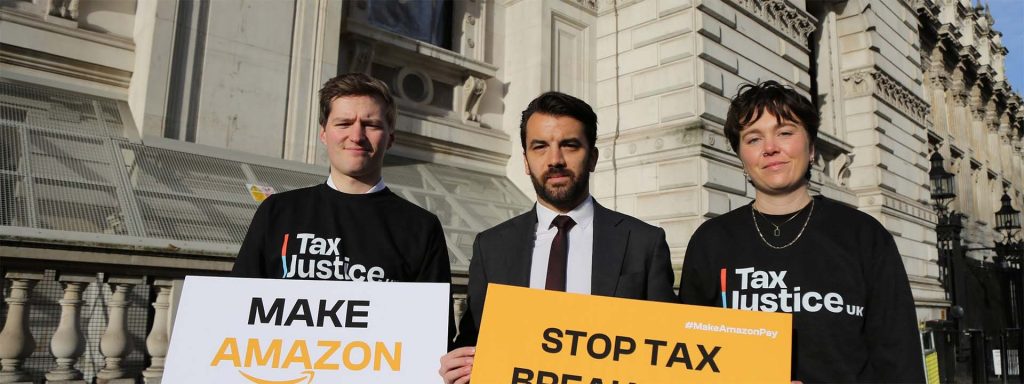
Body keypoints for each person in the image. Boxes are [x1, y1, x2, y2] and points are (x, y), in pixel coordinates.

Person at [677, 81, 924, 383]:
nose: (770, 148)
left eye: (785, 133)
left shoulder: (863, 235)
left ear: (811, 149)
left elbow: (899, 359)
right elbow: (688, 361)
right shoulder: (711, 240)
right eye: (753, 139)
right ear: (742, 157)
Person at [439, 91, 676, 384]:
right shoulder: (491, 247)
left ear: (592, 157)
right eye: (540, 147)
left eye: (570, 145)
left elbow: (668, 356)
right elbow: (473, 342)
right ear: (526, 161)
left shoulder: (643, 243)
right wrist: (458, 365)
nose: (555, 160)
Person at [230, 73, 455, 340]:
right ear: (324, 134)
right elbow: (236, 309)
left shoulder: (421, 227)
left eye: (370, 124)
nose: (356, 135)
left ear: (390, 138)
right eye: (344, 123)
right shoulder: (278, 211)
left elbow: (434, 332)